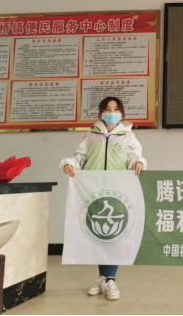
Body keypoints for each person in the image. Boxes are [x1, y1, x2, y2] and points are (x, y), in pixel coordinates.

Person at [59, 97, 147, 301]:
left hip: (118, 193)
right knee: (98, 235)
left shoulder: (128, 136)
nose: (112, 112)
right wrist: (68, 163)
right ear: (101, 113)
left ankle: (111, 279)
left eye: (116, 109)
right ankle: (102, 278)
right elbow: (79, 157)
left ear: (121, 113)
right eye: (108, 109)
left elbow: (135, 157)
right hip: (93, 192)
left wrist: (139, 162)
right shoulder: (91, 135)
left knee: (114, 235)